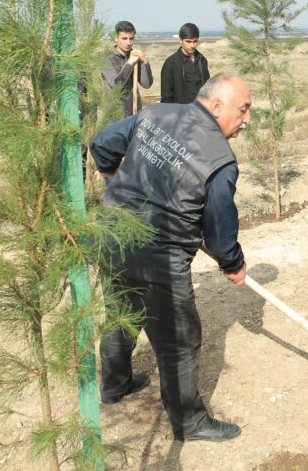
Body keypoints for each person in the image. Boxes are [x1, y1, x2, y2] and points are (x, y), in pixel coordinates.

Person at [90, 73, 252, 442]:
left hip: (113, 236)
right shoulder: (221, 160)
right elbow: (219, 228)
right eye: (243, 110)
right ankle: (190, 422)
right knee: (179, 339)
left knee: (121, 313)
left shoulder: (155, 114)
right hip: (160, 259)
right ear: (216, 105)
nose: (247, 120)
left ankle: (115, 385)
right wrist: (233, 263)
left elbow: (101, 145)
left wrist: (117, 184)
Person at [102, 20, 153, 116]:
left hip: (134, 112)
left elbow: (147, 84)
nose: (129, 43)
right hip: (115, 114)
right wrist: (129, 63)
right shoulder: (106, 58)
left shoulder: (134, 56)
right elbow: (116, 85)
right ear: (116, 38)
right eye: (124, 38)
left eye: (131, 38)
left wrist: (144, 61)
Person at [160, 23, 211, 104]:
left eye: (195, 41)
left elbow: (207, 88)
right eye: (188, 41)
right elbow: (166, 97)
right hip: (180, 112)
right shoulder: (171, 63)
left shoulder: (202, 61)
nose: (192, 45)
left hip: (200, 110)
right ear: (180, 40)